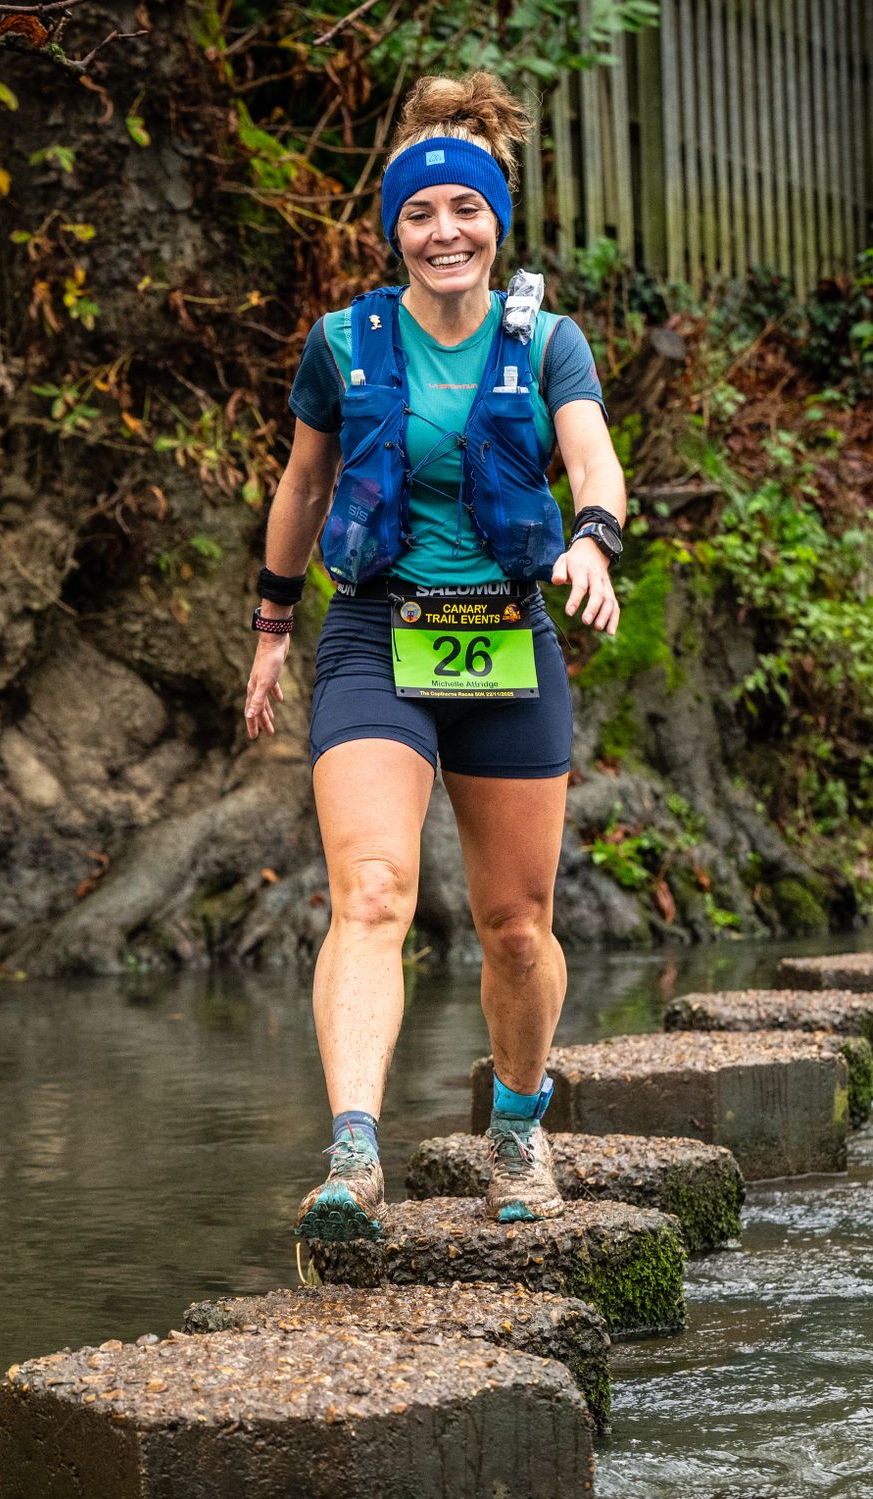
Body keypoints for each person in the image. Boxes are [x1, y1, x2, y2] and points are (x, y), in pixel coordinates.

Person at [241, 71, 628, 1241]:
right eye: (419, 213)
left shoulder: (547, 342)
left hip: (508, 636)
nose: (443, 231)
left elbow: (594, 461)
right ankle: (354, 1154)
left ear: (494, 222)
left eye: (465, 209)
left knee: (516, 926)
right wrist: (271, 631)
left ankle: (517, 1123)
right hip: (377, 633)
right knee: (370, 893)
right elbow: (304, 486)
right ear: (393, 229)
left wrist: (593, 540)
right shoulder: (343, 343)